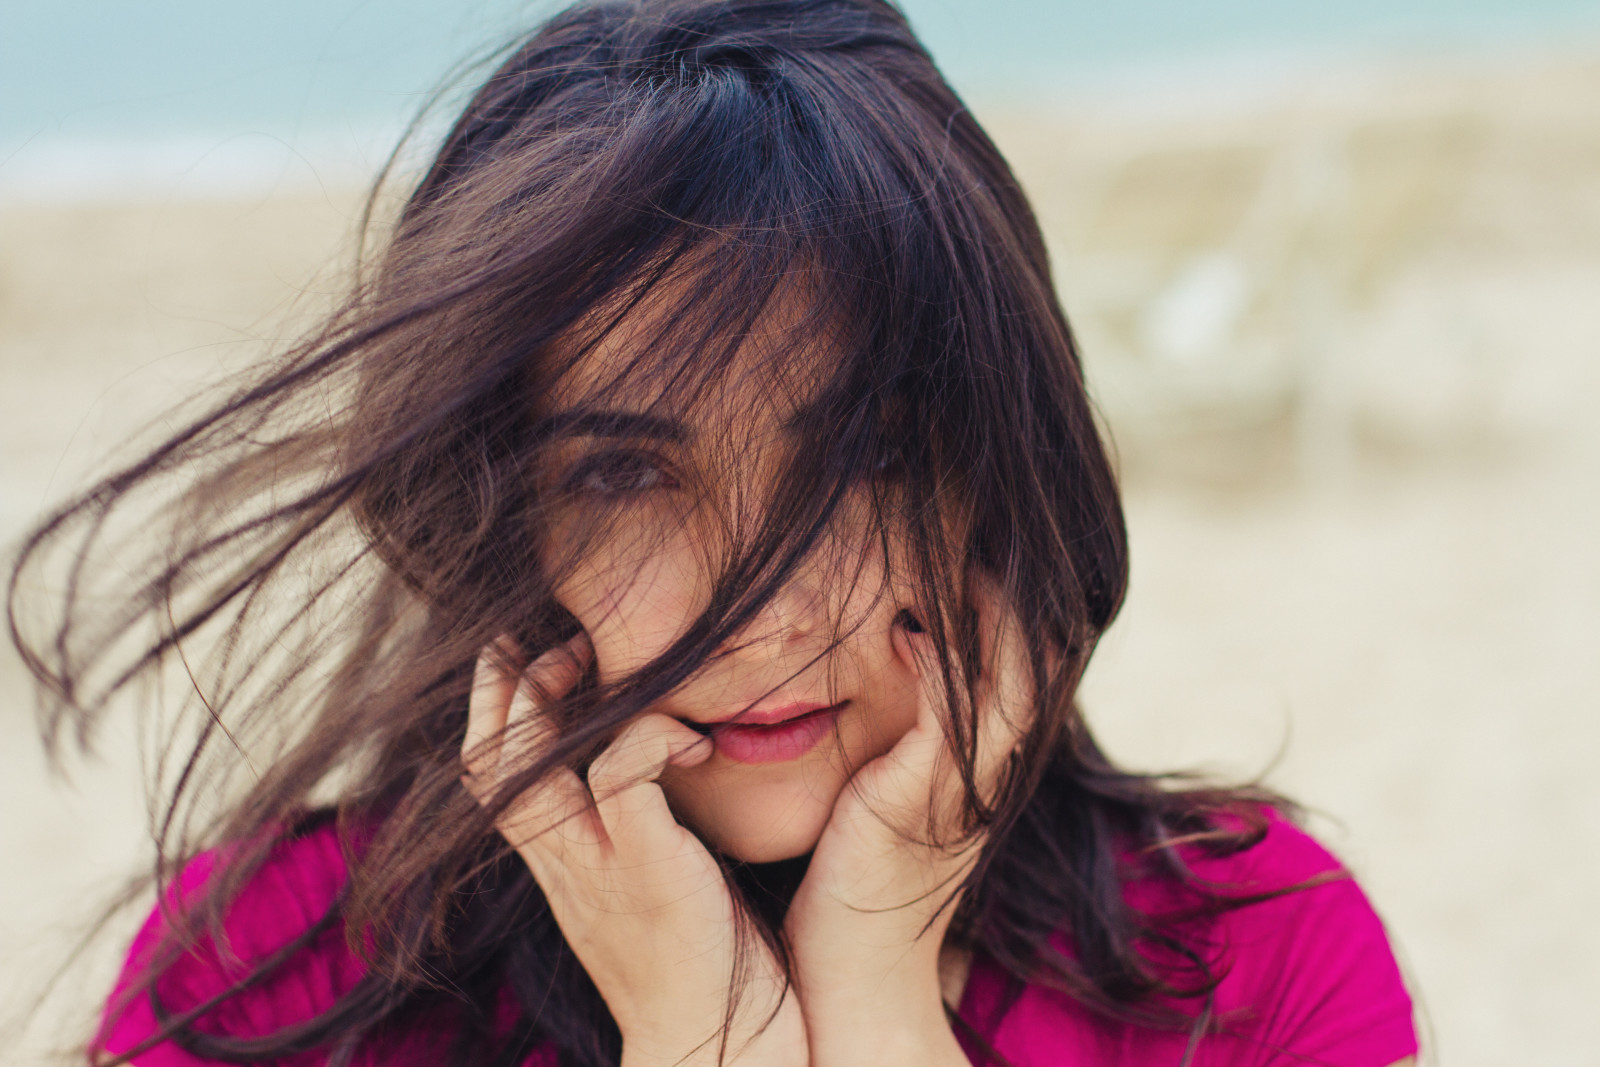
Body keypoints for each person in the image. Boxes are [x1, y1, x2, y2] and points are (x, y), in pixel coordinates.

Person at [8, 1, 1419, 1065]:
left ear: (994, 469)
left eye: (863, 457)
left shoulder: (1247, 956)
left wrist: (866, 998)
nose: (763, 615)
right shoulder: (275, 967)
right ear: (504, 517)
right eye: (625, 475)